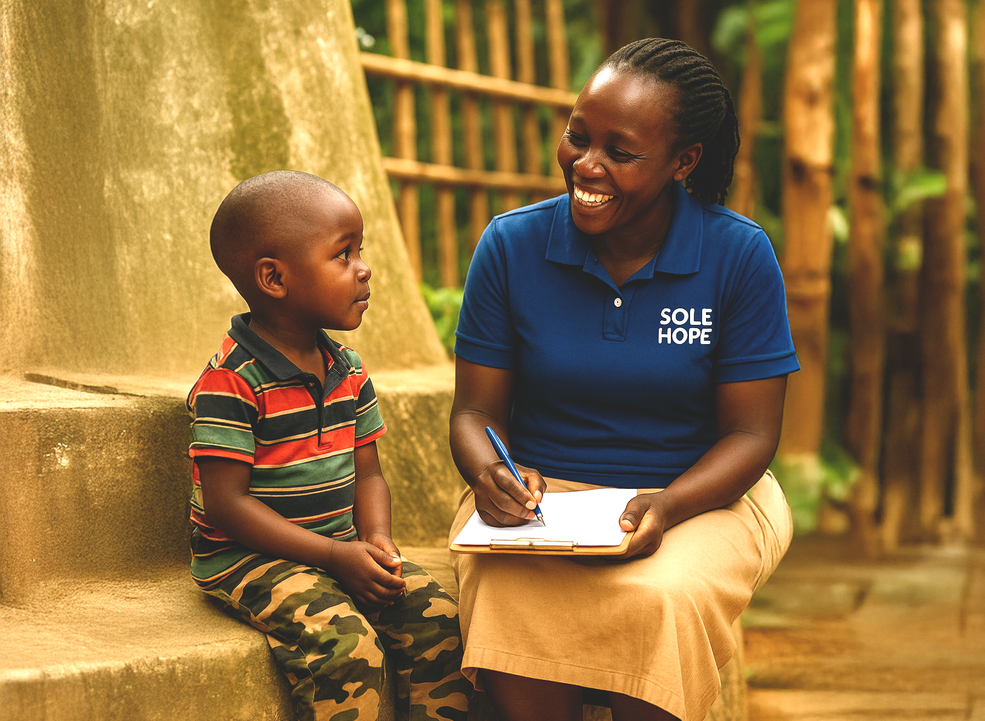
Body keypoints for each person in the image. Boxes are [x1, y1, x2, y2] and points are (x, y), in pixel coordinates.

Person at [448, 38, 799, 721]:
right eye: (578, 137)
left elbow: (752, 434)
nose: (587, 164)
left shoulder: (737, 255)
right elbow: (473, 414)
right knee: (507, 590)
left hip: (700, 497)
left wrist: (665, 505)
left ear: (683, 161)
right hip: (543, 504)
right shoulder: (511, 246)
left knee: (659, 597)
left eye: (621, 152)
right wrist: (492, 472)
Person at [187, 170, 472, 721]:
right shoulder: (232, 381)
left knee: (439, 619)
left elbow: (369, 475)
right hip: (251, 559)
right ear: (274, 278)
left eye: (360, 251)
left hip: (340, 545)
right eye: (343, 255)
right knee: (348, 647)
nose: (364, 268)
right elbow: (227, 506)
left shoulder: (348, 369)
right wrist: (334, 557)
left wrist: (377, 541)